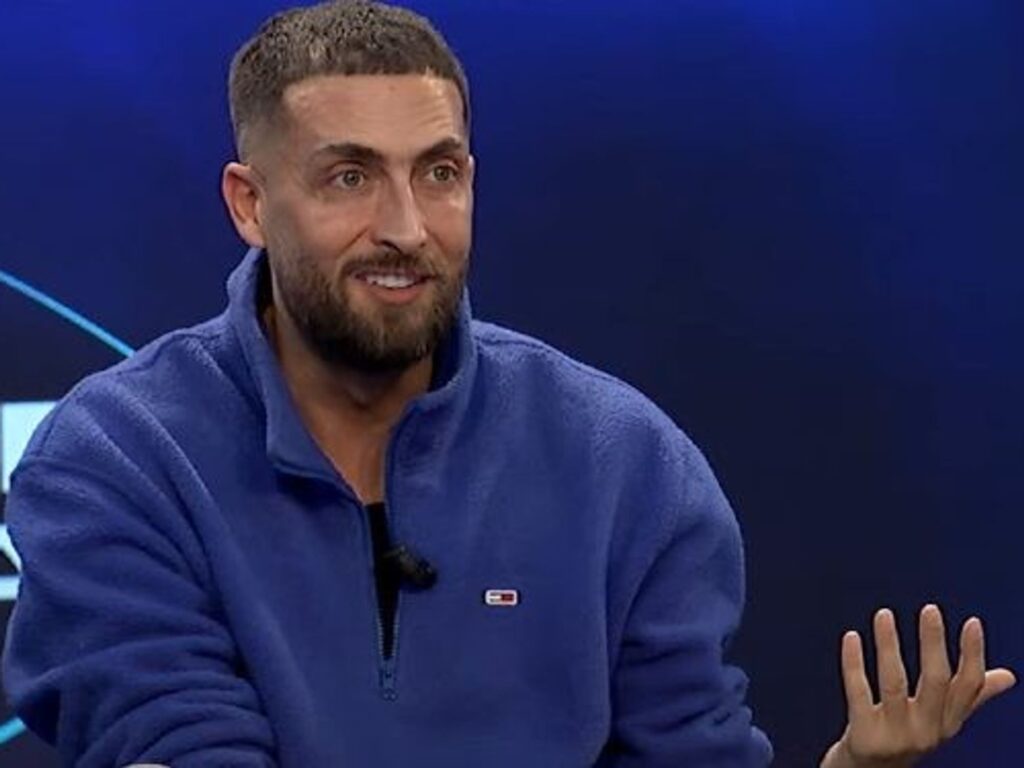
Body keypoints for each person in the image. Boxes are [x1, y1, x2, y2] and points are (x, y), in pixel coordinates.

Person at [1, 2, 1015, 767]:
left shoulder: (625, 463)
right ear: (249, 204)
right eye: (350, 177)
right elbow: (174, 738)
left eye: (438, 173)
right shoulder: (119, 457)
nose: (406, 227)